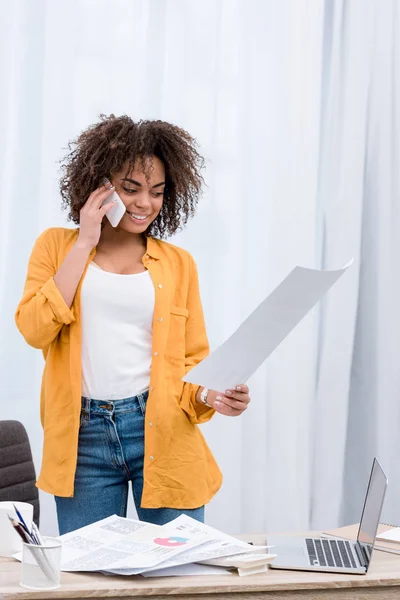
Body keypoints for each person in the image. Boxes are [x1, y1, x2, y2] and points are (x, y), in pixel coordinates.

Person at [15, 115, 251, 535]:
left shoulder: (178, 264)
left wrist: (213, 395)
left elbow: (192, 362)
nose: (145, 203)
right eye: (131, 188)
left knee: (178, 577)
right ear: (99, 184)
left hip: (163, 431)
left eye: (157, 192)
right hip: (82, 439)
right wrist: (85, 240)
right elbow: (35, 330)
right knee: (91, 581)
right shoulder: (56, 246)